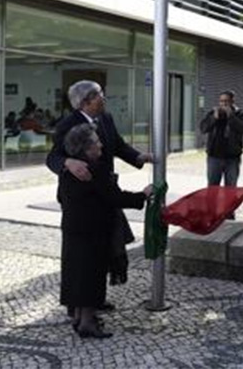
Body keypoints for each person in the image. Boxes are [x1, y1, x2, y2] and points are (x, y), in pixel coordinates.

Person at [46, 80, 153, 311]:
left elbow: (118, 145)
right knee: (81, 254)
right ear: (85, 102)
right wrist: (67, 162)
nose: (104, 98)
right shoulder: (68, 124)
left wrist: (139, 157)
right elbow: (52, 157)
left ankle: (95, 298)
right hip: (82, 200)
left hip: (105, 192)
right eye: (99, 95)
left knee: (105, 248)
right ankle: (76, 306)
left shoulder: (106, 118)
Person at [59, 123, 153, 338]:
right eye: (96, 142)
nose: (101, 145)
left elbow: (60, 197)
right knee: (92, 274)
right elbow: (114, 197)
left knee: (77, 273)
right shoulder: (95, 169)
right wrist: (143, 194)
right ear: (85, 148)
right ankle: (87, 322)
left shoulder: (69, 170)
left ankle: (79, 317)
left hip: (73, 227)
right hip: (95, 229)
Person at [199, 90, 243, 187]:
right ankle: (212, 203)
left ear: (232, 102)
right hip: (214, 157)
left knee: (230, 188)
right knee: (212, 187)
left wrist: (231, 116)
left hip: (232, 158)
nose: (223, 104)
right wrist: (214, 118)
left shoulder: (239, 114)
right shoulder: (213, 113)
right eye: (221, 101)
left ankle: (229, 203)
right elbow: (203, 128)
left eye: (226, 101)